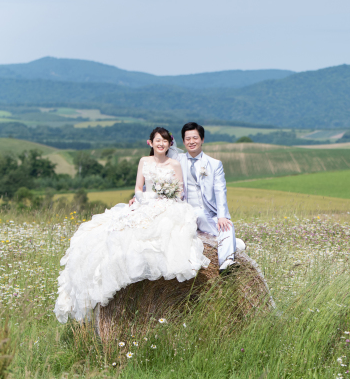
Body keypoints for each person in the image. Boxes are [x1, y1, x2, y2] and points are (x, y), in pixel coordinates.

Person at [54, 127, 209, 323]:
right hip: (146, 202)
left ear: (170, 143)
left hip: (168, 204)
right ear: (150, 143)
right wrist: (147, 198)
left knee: (166, 231)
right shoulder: (144, 161)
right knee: (114, 233)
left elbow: (179, 191)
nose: (161, 144)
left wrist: (166, 197)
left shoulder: (175, 164)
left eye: (165, 141)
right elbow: (138, 187)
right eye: (157, 140)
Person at [168, 122, 240, 271]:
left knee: (227, 226)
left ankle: (226, 262)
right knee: (199, 215)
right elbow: (159, 172)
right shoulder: (177, 161)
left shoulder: (214, 164)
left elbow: (220, 190)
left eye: (195, 138)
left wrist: (222, 216)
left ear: (202, 139)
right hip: (185, 212)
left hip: (209, 212)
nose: (191, 141)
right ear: (183, 141)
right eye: (187, 139)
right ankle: (233, 243)